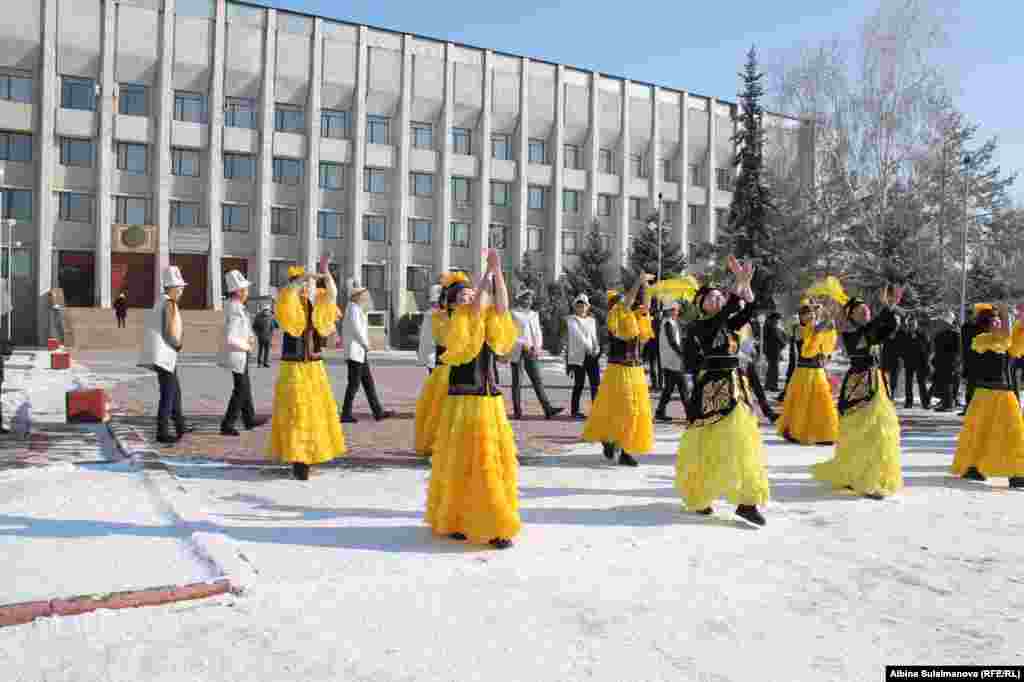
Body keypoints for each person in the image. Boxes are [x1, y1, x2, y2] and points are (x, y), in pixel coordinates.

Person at [425, 249, 521, 548]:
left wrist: (498, 272)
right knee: (464, 461)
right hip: (463, 400)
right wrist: (487, 274)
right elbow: (477, 306)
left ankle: (495, 524)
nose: (469, 296)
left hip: (489, 398)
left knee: (490, 462)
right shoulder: (451, 320)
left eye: (471, 292)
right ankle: (458, 518)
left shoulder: (485, 317)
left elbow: (502, 304)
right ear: (453, 302)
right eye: (463, 294)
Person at [675, 257, 769, 527]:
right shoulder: (699, 326)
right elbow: (726, 312)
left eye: (719, 296)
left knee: (742, 443)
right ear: (700, 304)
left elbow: (749, 311)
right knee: (706, 447)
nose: (717, 299)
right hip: (711, 390)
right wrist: (737, 284)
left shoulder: (727, 324)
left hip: (736, 387)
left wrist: (746, 285)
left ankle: (747, 502)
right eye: (711, 297)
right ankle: (701, 495)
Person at [811, 287, 903, 499]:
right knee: (861, 432)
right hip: (860, 384)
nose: (866, 312)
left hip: (876, 383)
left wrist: (891, 308)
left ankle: (872, 476)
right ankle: (861, 478)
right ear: (851, 315)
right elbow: (872, 331)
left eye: (867, 310)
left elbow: (889, 328)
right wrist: (886, 310)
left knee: (877, 432)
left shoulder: (868, 330)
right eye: (860, 311)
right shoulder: (852, 332)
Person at [269, 262, 346, 481]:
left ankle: (308, 457)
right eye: (301, 284)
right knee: (296, 412)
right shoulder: (286, 301)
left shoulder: (315, 305)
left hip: (313, 367)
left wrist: (326, 272)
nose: (305, 288)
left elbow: (332, 294)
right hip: (294, 368)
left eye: (306, 285)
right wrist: (302, 278)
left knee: (314, 412)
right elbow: (288, 293)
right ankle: (299, 461)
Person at [582, 276, 656, 467]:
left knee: (634, 411)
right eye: (622, 302)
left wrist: (646, 286)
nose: (628, 304)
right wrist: (638, 282)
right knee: (622, 411)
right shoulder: (615, 317)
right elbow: (626, 303)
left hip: (636, 371)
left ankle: (623, 448)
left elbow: (646, 307)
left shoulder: (633, 318)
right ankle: (611, 441)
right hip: (619, 371)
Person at [951, 303, 1024, 488]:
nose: (999, 323)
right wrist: (1006, 314)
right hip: (985, 394)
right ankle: (975, 466)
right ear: (987, 325)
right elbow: (1005, 339)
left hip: (1005, 394)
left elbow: (1015, 340)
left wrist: (1020, 320)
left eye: (1000, 321)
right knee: (980, 432)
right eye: (995, 321)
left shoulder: (1005, 340)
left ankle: (1017, 473)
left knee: (1013, 433)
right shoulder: (981, 340)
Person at [139, 266, 192, 445]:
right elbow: (169, 331)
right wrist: (178, 344)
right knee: (168, 394)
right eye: (180, 288)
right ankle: (162, 432)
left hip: (162, 355)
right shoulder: (169, 303)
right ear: (173, 288)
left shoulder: (160, 301)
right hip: (165, 355)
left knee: (175, 392)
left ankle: (180, 426)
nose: (182, 292)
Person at [776, 299, 840, 445]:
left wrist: (829, 317)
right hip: (803, 372)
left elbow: (827, 333)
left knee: (822, 403)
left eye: (811, 314)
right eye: (806, 314)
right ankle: (796, 431)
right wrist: (826, 319)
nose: (809, 316)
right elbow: (812, 338)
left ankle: (824, 434)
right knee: (802, 403)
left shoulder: (816, 327)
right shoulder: (798, 329)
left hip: (818, 371)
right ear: (800, 316)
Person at [413, 276, 460, 456]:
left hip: (460, 367)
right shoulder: (433, 317)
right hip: (442, 367)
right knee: (440, 406)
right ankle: (440, 442)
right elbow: (428, 342)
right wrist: (431, 363)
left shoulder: (463, 315)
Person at [218, 271, 266, 436]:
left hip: (239, 353)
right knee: (241, 389)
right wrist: (247, 345)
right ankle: (228, 424)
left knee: (245, 386)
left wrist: (249, 338)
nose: (247, 293)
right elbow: (231, 337)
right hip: (237, 353)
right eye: (245, 290)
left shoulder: (235, 306)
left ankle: (249, 418)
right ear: (238, 292)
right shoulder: (235, 309)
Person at [339, 285, 393, 423]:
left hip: (359, 353)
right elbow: (356, 330)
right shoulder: (353, 309)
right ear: (357, 296)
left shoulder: (356, 308)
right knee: (354, 385)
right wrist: (365, 344)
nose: (367, 297)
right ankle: (345, 414)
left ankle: (378, 412)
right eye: (364, 295)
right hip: (355, 352)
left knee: (368, 384)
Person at [508, 286, 563, 420]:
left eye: (530, 298)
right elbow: (510, 333)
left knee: (537, 380)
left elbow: (538, 332)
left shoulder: (534, 314)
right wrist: (523, 343)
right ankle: (517, 411)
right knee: (517, 382)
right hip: (518, 350)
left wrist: (538, 346)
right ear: (520, 299)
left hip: (532, 351)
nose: (528, 301)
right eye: (525, 298)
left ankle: (547, 409)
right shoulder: (513, 313)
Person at [564, 293, 601, 420]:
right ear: (575, 307)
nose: (581, 307)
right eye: (578, 305)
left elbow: (593, 336)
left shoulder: (591, 320)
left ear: (587, 307)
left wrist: (596, 348)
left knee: (595, 384)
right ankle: (575, 411)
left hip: (592, 356)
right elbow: (578, 336)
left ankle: (596, 410)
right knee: (579, 384)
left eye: (583, 305)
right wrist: (589, 348)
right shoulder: (571, 320)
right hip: (579, 356)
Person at [738, 318, 778, 423]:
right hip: (736, 363)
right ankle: (744, 416)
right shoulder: (731, 323)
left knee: (758, 389)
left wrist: (753, 349)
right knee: (743, 390)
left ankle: (768, 412)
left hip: (747, 361)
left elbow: (748, 341)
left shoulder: (747, 325)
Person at [654, 301, 688, 422]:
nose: (677, 312)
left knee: (669, 388)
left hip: (671, 360)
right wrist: (682, 354)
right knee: (683, 386)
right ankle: (690, 413)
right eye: (676, 310)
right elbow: (673, 342)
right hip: (673, 360)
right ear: (670, 311)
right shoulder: (668, 323)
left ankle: (660, 411)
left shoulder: (670, 322)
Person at [930, 312, 960, 412]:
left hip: (950, 362)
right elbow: (936, 350)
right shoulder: (939, 334)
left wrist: (957, 363)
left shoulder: (955, 334)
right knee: (942, 383)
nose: (940, 323)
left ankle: (948, 404)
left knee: (948, 383)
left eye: (942, 322)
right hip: (940, 363)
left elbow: (958, 350)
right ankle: (945, 402)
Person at [901, 317, 932, 409]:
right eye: (910, 325)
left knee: (922, 383)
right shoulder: (905, 335)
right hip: (909, 362)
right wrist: (904, 358)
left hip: (920, 362)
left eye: (913, 325)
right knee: (908, 383)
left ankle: (925, 403)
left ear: (916, 325)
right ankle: (909, 402)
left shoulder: (922, 334)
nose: (912, 327)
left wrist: (927, 360)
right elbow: (902, 348)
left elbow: (928, 348)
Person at [417, 284, 444, 375]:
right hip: (434, 354)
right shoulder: (430, 316)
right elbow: (427, 339)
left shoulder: (435, 315)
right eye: (435, 302)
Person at [959, 308, 981, 414]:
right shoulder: (964, 327)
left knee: (977, 386)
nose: (968, 318)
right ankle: (968, 407)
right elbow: (962, 344)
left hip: (978, 359)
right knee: (969, 385)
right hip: (968, 359)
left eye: (970, 316)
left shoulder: (979, 327)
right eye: (967, 316)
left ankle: (975, 408)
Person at [882, 317, 906, 401]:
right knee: (883, 376)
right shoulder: (886, 332)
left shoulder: (902, 333)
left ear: (899, 323)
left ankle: (892, 394)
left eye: (897, 322)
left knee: (894, 377)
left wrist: (902, 357)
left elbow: (904, 347)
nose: (895, 324)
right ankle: (885, 393)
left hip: (897, 359)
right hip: (886, 357)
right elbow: (883, 345)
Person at [763, 312, 786, 392]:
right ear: (775, 319)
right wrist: (783, 343)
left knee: (771, 368)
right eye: (778, 319)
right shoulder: (773, 326)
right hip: (774, 350)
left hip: (771, 350)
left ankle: (768, 385)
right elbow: (778, 337)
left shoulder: (769, 325)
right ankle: (773, 386)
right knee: (774, 369)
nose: (779, 321)